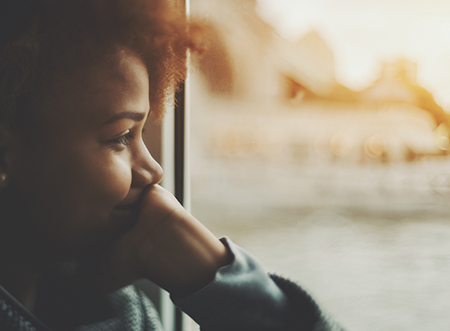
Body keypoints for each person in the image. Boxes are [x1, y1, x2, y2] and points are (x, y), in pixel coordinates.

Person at [0, 0, 345, 330]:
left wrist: (210, 269)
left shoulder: (121, 308)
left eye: (143, 133)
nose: (154, 171)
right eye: (121, 135)